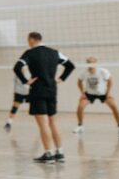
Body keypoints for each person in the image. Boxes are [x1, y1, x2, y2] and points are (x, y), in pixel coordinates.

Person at [14, 31, 74, 163]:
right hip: (52, 90)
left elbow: (17, 68)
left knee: (43, 124)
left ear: (31, 40)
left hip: (38, 90)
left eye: (28, 40)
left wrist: (25, 81)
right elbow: (70, 66)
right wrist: (61, 79)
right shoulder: (54, 52)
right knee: (53, 122)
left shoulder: (29, 53)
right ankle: (60, 153)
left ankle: (48, 154)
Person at [75, 57, 119, 136]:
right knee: (80, 107)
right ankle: (80, 126)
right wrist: (82, 93)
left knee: (114, 106)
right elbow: (79, 82)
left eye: (92, 62)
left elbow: (110, 81)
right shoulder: (83, 72)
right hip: (89, 94)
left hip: (103, 93)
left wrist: (108, 93)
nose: (91, 64)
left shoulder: (103, 71)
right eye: (89, 62)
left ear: (95, 63)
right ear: (87, 63)